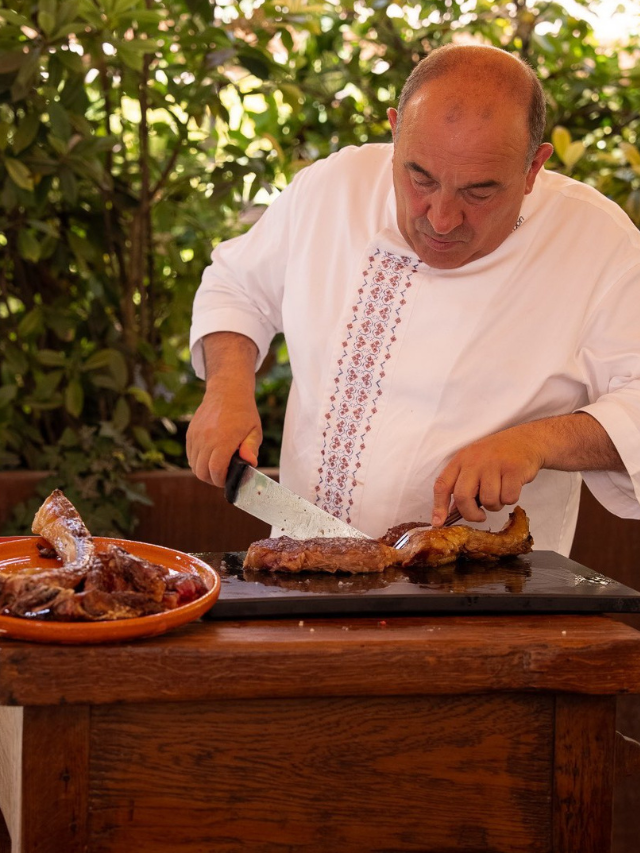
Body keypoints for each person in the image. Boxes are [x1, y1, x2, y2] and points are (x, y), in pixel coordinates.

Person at [187, 43, 640, 555]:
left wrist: (536, 443)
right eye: (419, 177)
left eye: (479, 192)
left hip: (486, 599)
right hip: (302, 565)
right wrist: (226, 387)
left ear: (534, 167)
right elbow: (236, 284)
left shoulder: (601, 245)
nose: (441, 218)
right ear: (395, 130)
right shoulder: (332, 188)